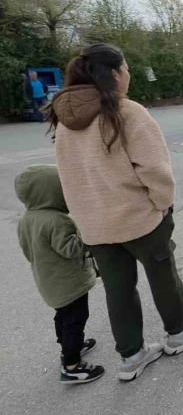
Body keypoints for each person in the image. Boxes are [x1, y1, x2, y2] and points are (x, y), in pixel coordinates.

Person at [49, 43, 183, 382]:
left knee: (117, 289)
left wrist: (83, 216)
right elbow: (154, 169)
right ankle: (178, 334)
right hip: (139, 218)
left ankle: (131, 356)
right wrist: (163, 203)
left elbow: (68, 176)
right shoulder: (126, 112)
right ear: (114, 74)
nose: (129, 74)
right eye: (125, 68)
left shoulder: (63, 122)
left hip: (95, 226)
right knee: (163, 277)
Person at [14, 164, 105, 385]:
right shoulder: (56, 220)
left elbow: (27, 251)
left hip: (49, 282)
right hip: (69, 284)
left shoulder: (26, 219)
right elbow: (72, 249)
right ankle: (72, 366)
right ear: (50, 192)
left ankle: (68, 347)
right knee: (75, 320)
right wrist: (88, 234)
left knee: (63, 317)